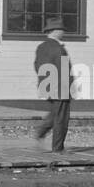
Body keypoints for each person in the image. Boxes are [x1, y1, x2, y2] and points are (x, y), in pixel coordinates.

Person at [32, 18, 72, 153]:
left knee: (55, 113)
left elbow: (37, 65)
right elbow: (64, 69)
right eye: (61, 30)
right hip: (61, 87)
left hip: (46, 85)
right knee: (61, 118)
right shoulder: (58, 48)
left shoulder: (41, 47)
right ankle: (58, 148)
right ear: (55, 31)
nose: (63, 32)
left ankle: (40, 133)